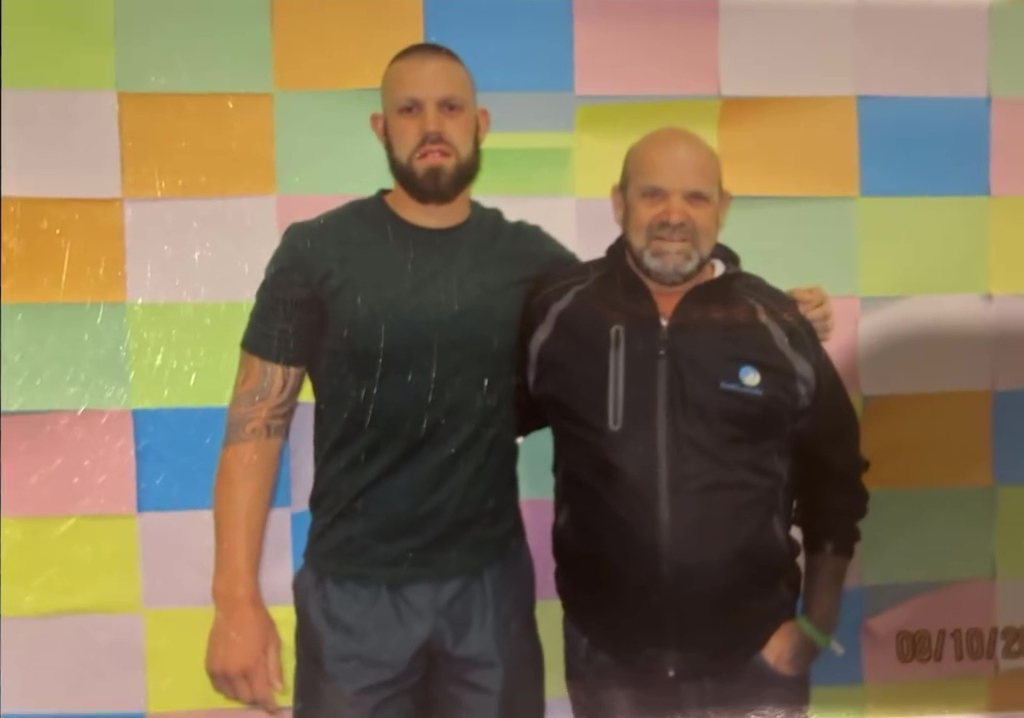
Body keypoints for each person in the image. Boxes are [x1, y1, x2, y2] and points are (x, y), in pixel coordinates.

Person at [203, 42, 838, 718]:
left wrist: (767, 312)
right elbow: (255, 426)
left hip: (490, 599)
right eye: (409, 110)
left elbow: (649, 307)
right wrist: (234, 600)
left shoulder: (534, 263)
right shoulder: (317, 250)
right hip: (354, 595)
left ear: (480, 124)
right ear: (381, 129)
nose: (432, 126)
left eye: (450, 108)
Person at [516, 127, 870, 718]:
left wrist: (814, 624)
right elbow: (487, 427)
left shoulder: (776, 326)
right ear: (618, 203)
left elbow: (835, 484)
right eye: (653, 195)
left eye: (696, 198)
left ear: (723, 209)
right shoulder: (561, 314)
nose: (673, 215)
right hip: (609, 662)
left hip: (756, 660)